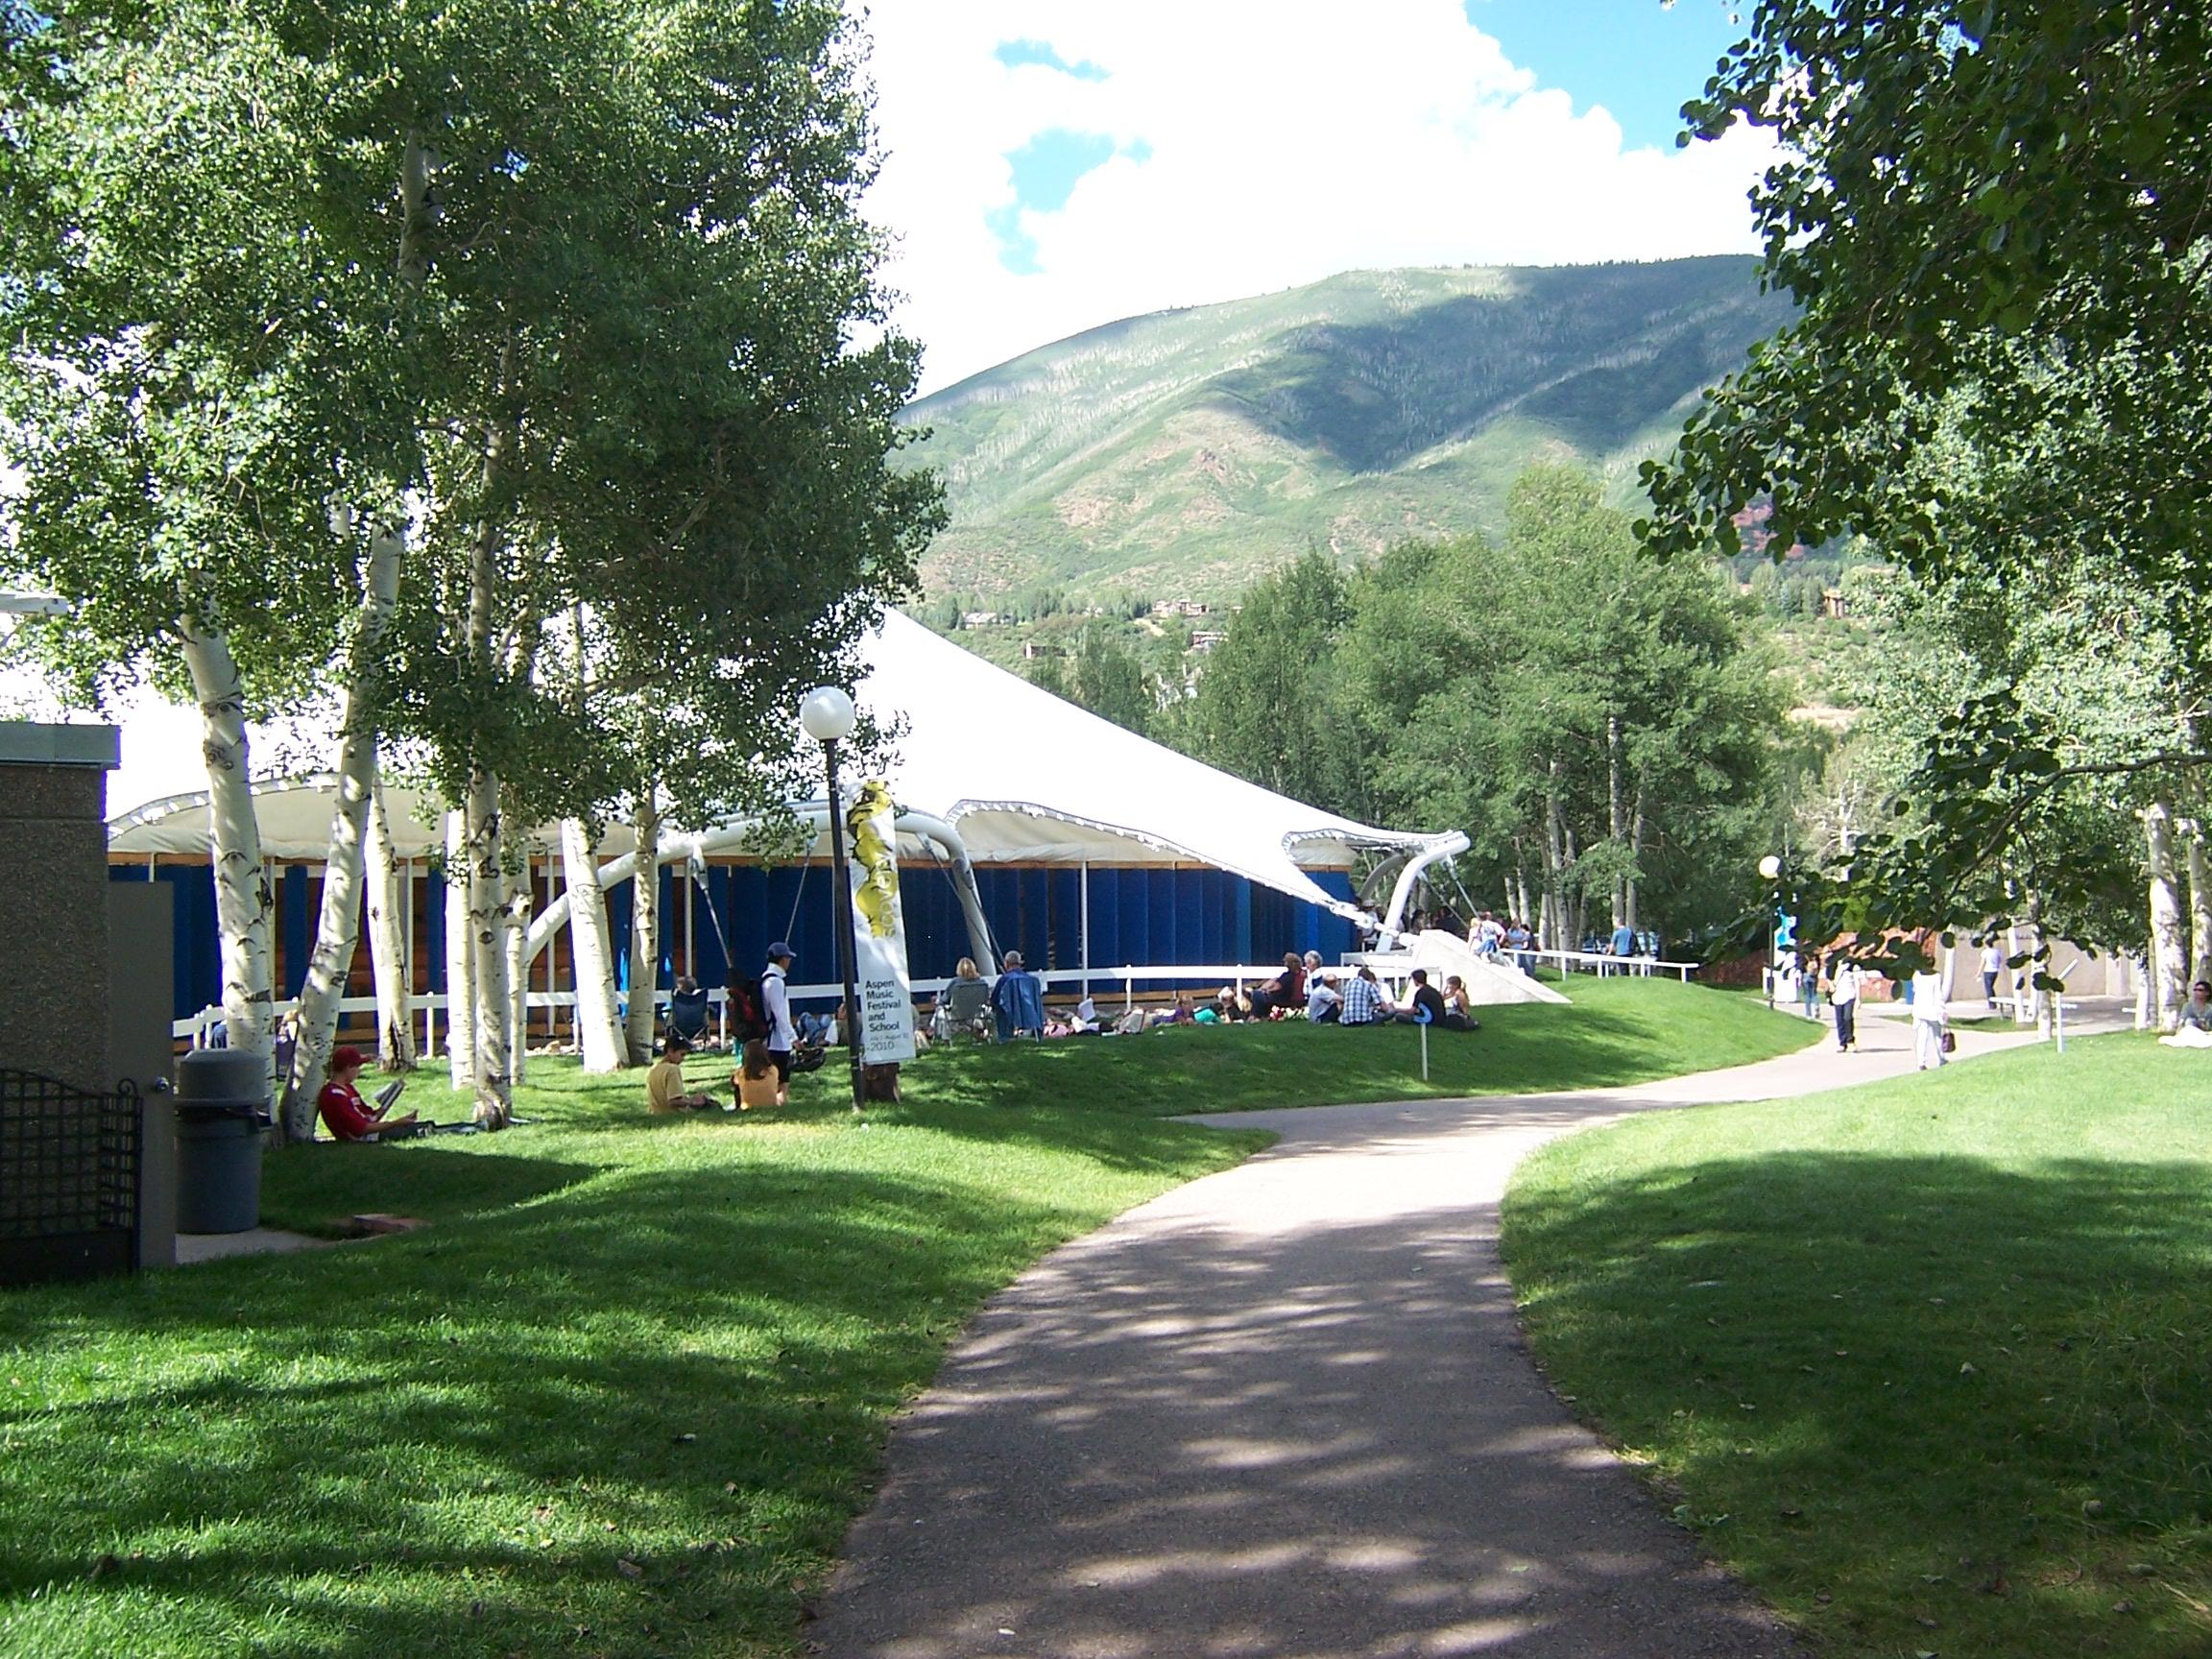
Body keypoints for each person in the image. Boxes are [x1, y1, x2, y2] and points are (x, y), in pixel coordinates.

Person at [317, 1046, 420, 1142]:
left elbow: (371, 1118)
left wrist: (389, 1100)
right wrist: (395, 1123)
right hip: (361, 1138)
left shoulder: (348, 1088)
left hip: (369, 1133)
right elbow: (361, 1129)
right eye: (358, 1066)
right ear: (348, 1067)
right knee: (416, 1132)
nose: (359, 1071)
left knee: (420, 1127)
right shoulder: (334, 1095)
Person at [761, 942, 799, 1096]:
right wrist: (793, 1038)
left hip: (770, 1039)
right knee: (782, 1080)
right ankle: (780, 1105)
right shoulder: (775, 982)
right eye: (788, 958)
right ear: (783, 960)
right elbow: (781, 1015)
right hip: (778, 1041)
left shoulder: (766, 979)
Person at [648, 1034, 717, 1112]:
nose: (683, 1059)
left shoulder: (654, 1069)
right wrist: (693, 1102)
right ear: (670, 1051)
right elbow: (673, 1101)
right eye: (682, 1054)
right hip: (672, 1113)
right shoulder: (672, 1069)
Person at [991, 950, 1045, 1041]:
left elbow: (995, 999)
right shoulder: (1032, 981)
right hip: (1030, 1012)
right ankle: (1036, 1033)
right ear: (1020, 963)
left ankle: (1005, 1036)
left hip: (1010, 1013)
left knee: (1000, 1007)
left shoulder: (1004, 980)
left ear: (1007, 963)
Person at [1910, 962, 1949, 1070]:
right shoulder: (1936, 976)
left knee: (1922, 1037)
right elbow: (1938, 995)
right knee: (1937, 1036)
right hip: (1933, 1010)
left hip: (1920, 1010)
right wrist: (1942, 1010)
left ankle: (1921, 1062)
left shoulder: (1917, 975)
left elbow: (1915, 991)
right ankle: (1941, 1058)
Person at [733, 1038, 783, 1109]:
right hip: (771, 1106)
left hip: (747, 1107)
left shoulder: (741, 1072)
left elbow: (734, 1084)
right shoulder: (772, 1070)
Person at [2160, 981, 2212, 1047]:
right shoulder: (2188, 1006)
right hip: (2191, 1031)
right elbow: (2182, 1021)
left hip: (2206, 1033)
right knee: (2190, 1021)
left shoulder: (2210, 1008)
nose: (2196, 992)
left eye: (2200, 990)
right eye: (2195, 990)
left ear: (2207, 993)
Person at [1828, 955, 1862, 1052]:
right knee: (1839, 1020)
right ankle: (1842, 1043)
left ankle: (1850, 1041)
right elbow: (1829, 978)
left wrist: (1858, 999)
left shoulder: (1852, 966)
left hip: (1850, 995)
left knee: (1848, 1017)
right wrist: (1831, 986)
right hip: (1837, 997)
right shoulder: (1833, 966)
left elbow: (1857, 982)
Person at [667, 974, 711, 1047]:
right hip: (698, 1026)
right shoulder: (699, 1000)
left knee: (669, 1020)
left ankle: (671, 1046)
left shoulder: (679, 1000)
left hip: (679, 1026)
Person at [1980, 940, 2006, 1011]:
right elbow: (2000, 960)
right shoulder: (1996, 952)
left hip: (1988, 971)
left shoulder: (1985, 952)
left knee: (1988, 988)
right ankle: (1993, 1002)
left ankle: (1992, 1004)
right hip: (1995, 971)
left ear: (1986, 945)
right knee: (1991, 987)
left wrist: (1978, 973)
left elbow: (1983, 963)